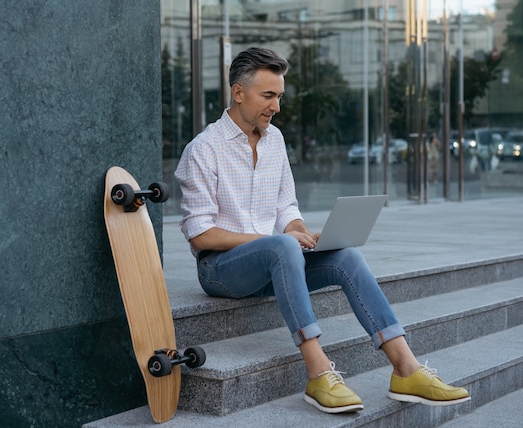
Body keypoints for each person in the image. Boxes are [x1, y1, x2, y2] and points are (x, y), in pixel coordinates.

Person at [174, 47, 470, 414]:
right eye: (268, 96)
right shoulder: (203, 150)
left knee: (346, 256)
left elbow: (285, 208)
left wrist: (302, 233)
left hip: (273, 261)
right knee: (281, 246)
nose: (276, 106)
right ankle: (318, 373)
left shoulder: (275, 140)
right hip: (220, 270)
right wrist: (277, 241)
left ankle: (405, 368)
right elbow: (201, 234)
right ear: (238, 93)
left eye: (279, 96)